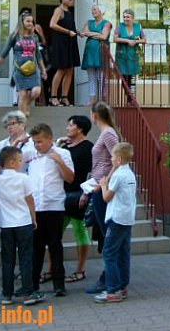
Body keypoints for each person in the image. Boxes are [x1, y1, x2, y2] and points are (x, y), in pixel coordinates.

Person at [0, 146, 45, 306]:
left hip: (6, 224)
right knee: (26, 257)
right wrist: (34, 218)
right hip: (23, 222)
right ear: (12, 162)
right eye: (20, 160)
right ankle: (28, 292)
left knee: (7, 259)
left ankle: (6, 294)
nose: (22, 163)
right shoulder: (24, 178)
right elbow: (30, 200)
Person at [26, 123, 75, 297]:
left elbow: (70, 178)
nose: (37, 145)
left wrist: (59, 162)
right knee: (36, 248)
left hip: (54, 206)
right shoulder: (30, 154)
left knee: (55, 245)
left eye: (40, 141)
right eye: (34, 142)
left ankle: (59, 284)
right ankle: (33, 284)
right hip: (35, 207)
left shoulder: (63, 153)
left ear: (49, 139)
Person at [84, 102, 121, 295]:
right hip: (97, 186)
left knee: (108, 235)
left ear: (94, 115)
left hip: (102, 189)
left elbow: (118, 160)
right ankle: (110, 276)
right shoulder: (106, 132)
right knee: (105, 233)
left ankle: (109, 278)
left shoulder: (108, 134)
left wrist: (103, 183)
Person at [95, 142, 137, 303]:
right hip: (127, 218)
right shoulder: (130, 174)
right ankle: (123, 286)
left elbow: (107, 197)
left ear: (118, 159)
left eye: (112, 156)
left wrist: (103, 185)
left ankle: (113, 289)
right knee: (123, 253)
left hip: (116, 218)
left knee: (109, 252)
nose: (111, 159)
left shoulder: (118, 175)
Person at [55, 115, 94, 284]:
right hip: (60, 194)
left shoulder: (88, 147)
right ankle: (52, 269)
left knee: (80, 231)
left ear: (80, 129)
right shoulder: (64, 147)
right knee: (55, 233)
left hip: (78, 195)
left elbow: (92, 172)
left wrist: (87, 192)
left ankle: (80, 270)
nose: (67, 128)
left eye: (71, 125)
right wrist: (58, 145)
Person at [0, 11, 48, 117]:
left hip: (33, 70)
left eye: (32, 21)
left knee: (36, 92)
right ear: (22, 22)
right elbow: (4, 53)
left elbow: (38, 55)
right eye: (28, 21)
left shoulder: (34, 36)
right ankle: (22, 119)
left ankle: (25, 105)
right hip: (20, 70)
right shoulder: (14, 36)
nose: (30, 23)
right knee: (23, 95)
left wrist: (43, 70)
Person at [49, 0, 80, 107]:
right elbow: (52, 24)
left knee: (70, 69)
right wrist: (68, 32)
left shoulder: (69, 12)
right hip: (62, 43)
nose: (71, 1)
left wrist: (77, 32)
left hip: (70, 43)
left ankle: (64, 97)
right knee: (61, 69)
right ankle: (53, 97)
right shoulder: (59, 10)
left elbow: (68, 26)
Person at [80, 4, 112, 107]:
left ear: (101, 11)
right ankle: (92, 100)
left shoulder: (107, 23)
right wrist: (97, 34)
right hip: (89, 52)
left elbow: (104, 36)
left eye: (95, 9)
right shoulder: (88, 22)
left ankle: (103, 99)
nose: (92, 11)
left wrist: (89, 33)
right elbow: (84, 32)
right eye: (92, 9)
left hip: (101, 53)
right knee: (91, 77)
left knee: (101, 78)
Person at [113, 9, 146, 103]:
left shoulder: (138, 26)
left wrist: (136, 41)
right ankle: (130, 98)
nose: (125, 19)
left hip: (133, 55)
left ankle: (131, 99)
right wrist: (127, 41)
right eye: (124, 17)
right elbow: (115, 39)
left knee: (131, 78)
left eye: (127, 17)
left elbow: (144, 40)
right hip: (122, 55)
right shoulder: (119, 26)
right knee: (123, 78)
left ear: (132, 18)